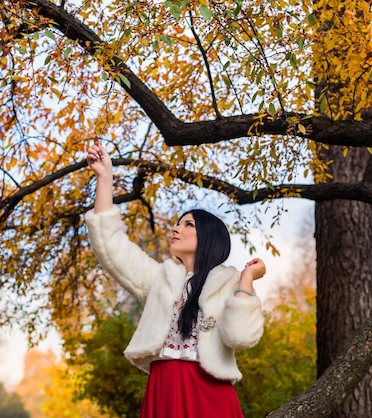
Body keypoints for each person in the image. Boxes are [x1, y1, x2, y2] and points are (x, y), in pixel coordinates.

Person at [84, 138, 267, 418]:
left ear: (208, 237)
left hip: (211, 393)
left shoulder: (228, 282)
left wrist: (246, 278)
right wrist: (105, 177)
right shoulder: (160, 278)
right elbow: (111, 246)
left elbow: (241, 337)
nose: (176, 228)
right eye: (178, 223)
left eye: (187, 224)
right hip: (164, 389)